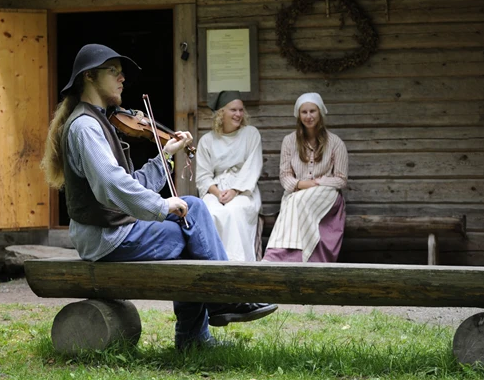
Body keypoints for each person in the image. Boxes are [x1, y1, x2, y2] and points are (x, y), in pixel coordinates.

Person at [40, 44, 277, 351]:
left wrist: (165, 154)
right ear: (89, 77)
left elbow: (131, 182)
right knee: (191, 230)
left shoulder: (97, 120)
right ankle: (208, 317)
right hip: (106, 238)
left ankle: (216, 307)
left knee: (192, 212)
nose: (122, 77)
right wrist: (161, 205)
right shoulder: (85, 127)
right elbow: (111, 186)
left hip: (114, 230)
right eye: (114, 71)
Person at [263, 93, 348, 263]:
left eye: (312, 111)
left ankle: (281, 257)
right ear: (299, 115)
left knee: (296, 201)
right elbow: (285, 176)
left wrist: (317, 182)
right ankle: (282, 255)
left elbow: (341, 179)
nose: (308, 116)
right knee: (293, 201)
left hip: (326, 195)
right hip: (297, 193)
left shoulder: (335, 142)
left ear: (320, 113)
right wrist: (302, 184)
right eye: (304, 112)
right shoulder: (289, 141)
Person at [195, 91, 262, 262]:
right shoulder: (207, 141)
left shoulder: (251, 134)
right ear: (221, 113)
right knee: (210, 211)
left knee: (236, 211)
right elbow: (203, 175)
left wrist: (234, 191)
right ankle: (214, 260)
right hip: (216, 189)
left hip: (243, 189)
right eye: (233, 110)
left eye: (241, 110)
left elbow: (252, 166)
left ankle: (238, 262)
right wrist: (218, 194)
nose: (238, 114)